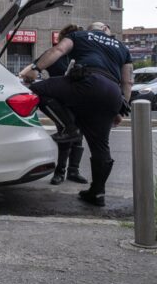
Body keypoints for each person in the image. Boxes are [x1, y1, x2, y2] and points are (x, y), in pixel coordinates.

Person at [20, 22, 133, 207]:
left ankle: (69, 127)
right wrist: (121, 108)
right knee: (100, 147)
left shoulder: (80, 36)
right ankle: (97, 193)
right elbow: (127, 82)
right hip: (112, 94)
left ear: (90, 30)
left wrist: (35, 69)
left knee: (35, 90)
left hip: (86, 82)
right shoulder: (122, 47)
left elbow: (58, 51)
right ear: (106, 31)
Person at [20, 24, 88, 185]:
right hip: (60, 102)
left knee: (78, 136)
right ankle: (60, 172)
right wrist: (33, 78)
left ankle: (73, 171)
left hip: (78, 101)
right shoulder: (54, 54)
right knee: (67, 135)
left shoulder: (83, 55)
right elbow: (29, 72)